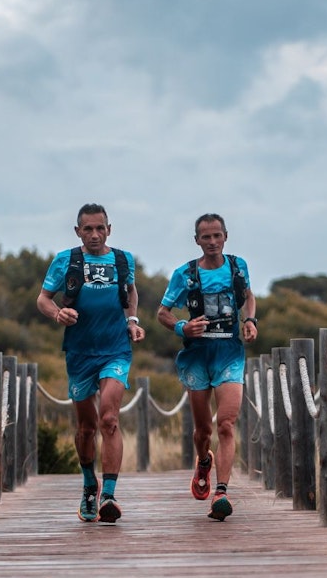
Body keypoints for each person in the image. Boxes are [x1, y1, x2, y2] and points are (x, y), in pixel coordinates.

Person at [37, 203, 146, 524]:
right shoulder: (66, 260)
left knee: (109, 418)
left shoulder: (124, 260)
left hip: (116, 349)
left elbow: (131, 291)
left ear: (109, 229)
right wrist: (58, 313)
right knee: (86, 427)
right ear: (78, 231)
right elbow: (43, 299)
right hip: (79, 353)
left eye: (101, 228)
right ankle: (89, 483)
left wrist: (133, 320)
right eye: (88, 229)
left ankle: (109, 495)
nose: (95, 234)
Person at [155, 213, 257, 521]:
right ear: (197, 240)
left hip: (229, 352)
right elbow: (163, 312)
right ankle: (203, 462)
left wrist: (249, 320)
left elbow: (249, 296)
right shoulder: (184, 275)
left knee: (227, 424)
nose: (212, 242)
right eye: (206, 237)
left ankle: (222, 492)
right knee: (203, 430)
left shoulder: (238, 267)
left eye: (217, 236)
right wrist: (182, 328)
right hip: (197, 354)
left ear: (225, 236)